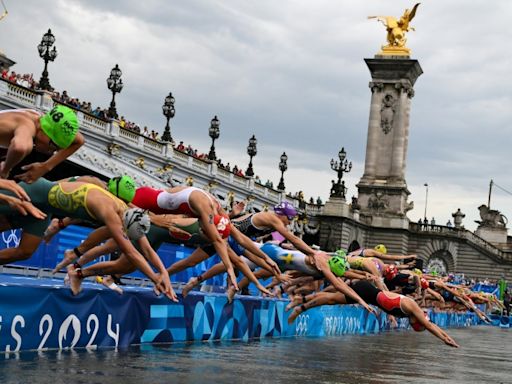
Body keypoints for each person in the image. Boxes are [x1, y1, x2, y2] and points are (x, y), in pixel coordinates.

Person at [0, 178, 174, 299]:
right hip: (36, 192)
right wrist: (155, 278)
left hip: (44, 210)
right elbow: (132, 253)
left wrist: (163, 273)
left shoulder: (127, 211)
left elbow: (146, 249)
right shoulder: (111, 214)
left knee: (24, 252)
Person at [287, 279, 459, 348]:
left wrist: (448, 337)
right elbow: (430, 326)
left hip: (369, 295)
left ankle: (300, 303)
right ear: (418, 322)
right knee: (331, 298)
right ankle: (300, 304)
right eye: (417, 327)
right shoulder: (413, 308)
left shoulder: (414, 314)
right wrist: (444, 339)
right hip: (366, 290)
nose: (415, 326)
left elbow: (431, 325)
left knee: (332, 298)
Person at [0, 105, 83, 182]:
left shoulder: (39, 118)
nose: (51, 152)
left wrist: (45, 167)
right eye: (54, 147)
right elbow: (19, 147)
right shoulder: (28, 127)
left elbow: (79, 141)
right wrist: (5, 170)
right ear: (47, 132)